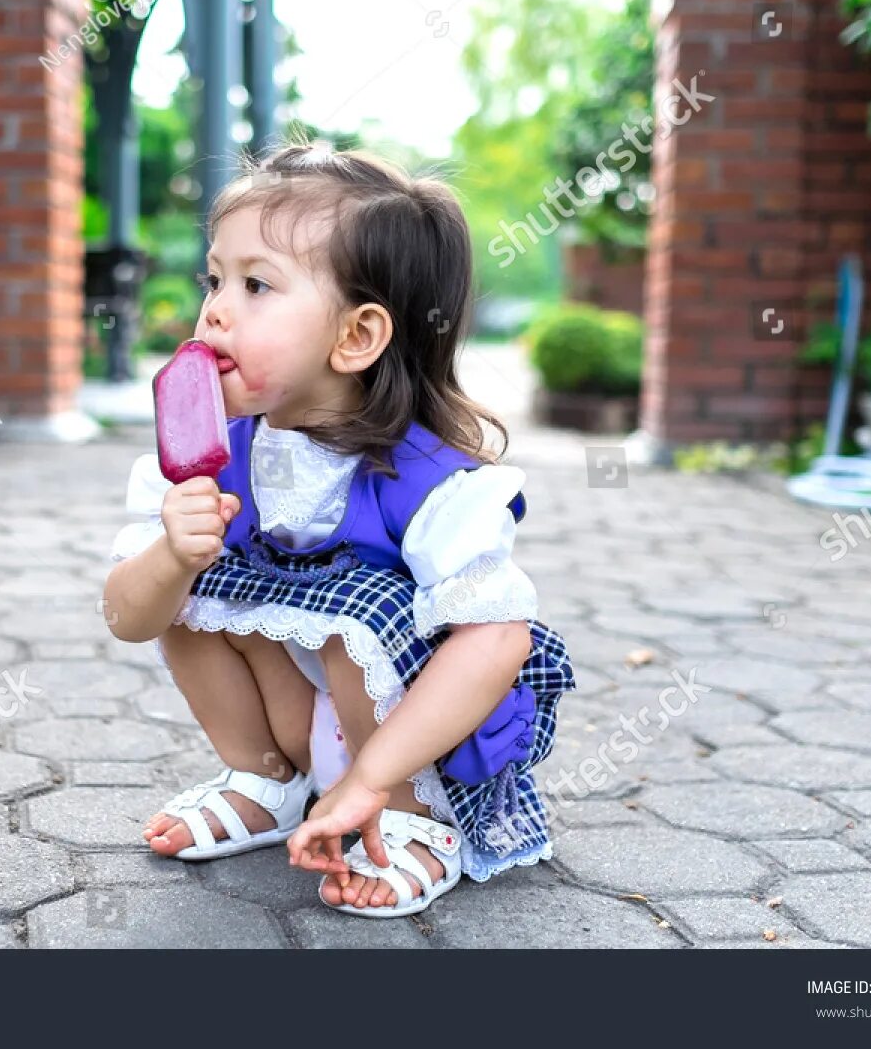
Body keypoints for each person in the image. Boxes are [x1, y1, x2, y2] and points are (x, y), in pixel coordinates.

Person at [102, 143, 575, 918]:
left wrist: (371, 777)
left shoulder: (429, 481)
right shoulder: (208, 455)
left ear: (355, 338)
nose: (215, 308)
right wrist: (169, 555)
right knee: (195, 576)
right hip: (307, 726)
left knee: (361, 606)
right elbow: (127, 618)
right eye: (213, 279)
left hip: (418, 744)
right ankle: (267, 780)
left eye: (256, 285)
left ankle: (417, 825)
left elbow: (498, 641)